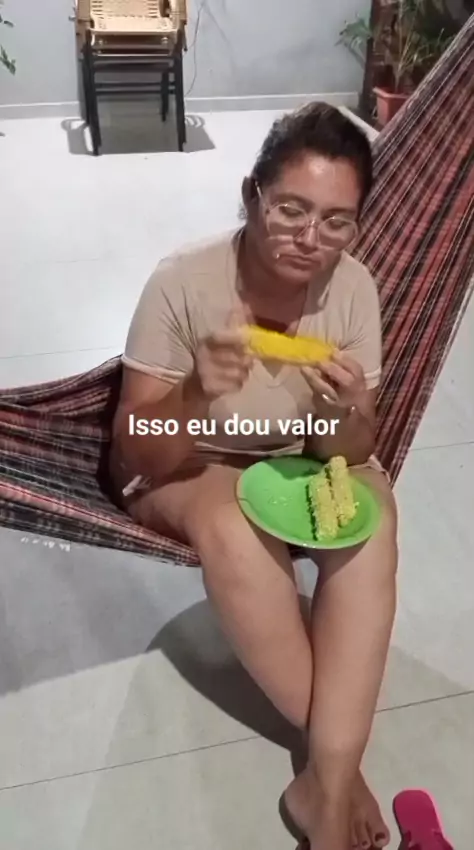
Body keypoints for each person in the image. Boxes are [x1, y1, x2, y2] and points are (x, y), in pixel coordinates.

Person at [110, 102, 398, 850]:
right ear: (252, 195)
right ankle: (339, 780)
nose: (311, 238)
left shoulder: (354, 291)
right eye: (291, 210)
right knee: (231, 520)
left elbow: (351, 449)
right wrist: (194, 392)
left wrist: (343, 412)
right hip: (192, 463)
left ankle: (323, 781)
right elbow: (135, 452)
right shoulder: (182, 282)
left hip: (297, 459)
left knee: (374, 515)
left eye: (336, 221)